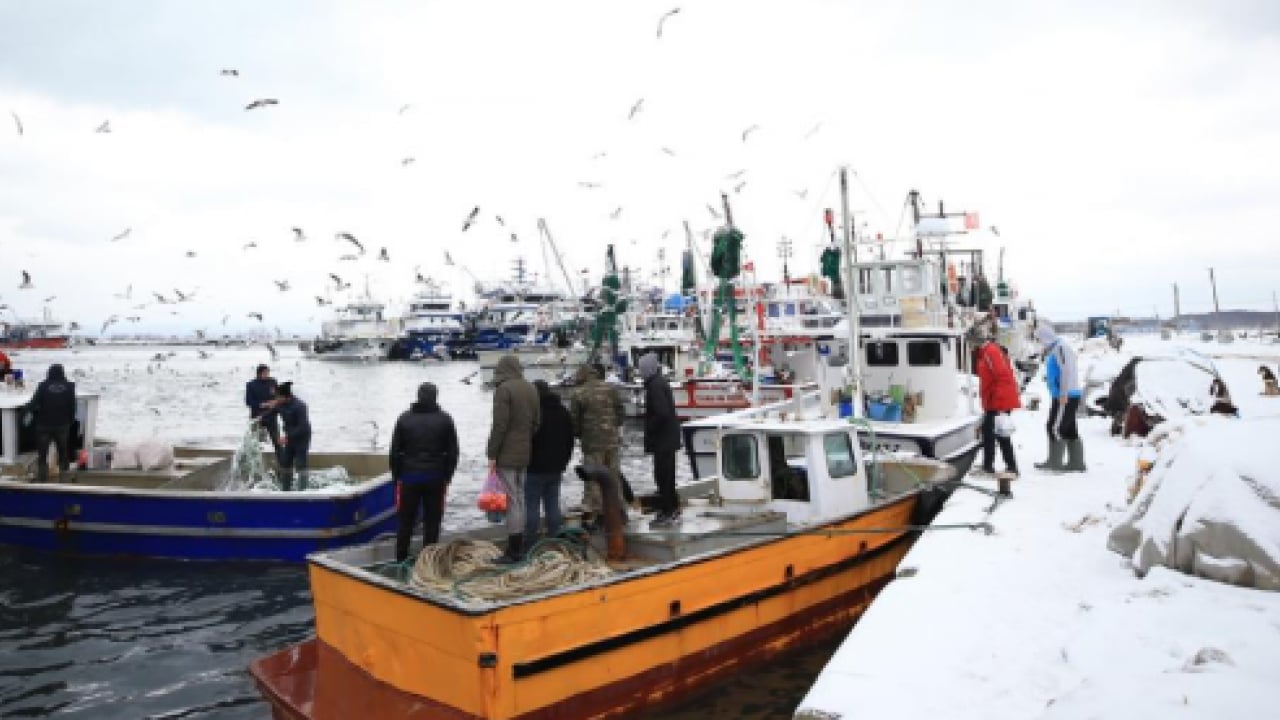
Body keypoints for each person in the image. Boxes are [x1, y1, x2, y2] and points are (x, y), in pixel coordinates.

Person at [389, 382, 459, 562]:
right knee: (432, 522)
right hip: (436, 477)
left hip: (409, 477)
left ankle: (400, 559)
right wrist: (448, 476)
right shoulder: (445, 419)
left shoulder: (404, 418)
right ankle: (428, 561)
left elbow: (395, 452)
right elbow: (453, 452)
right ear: (436, 397)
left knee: (406, 522)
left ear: (418, 396)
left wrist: (397, 476)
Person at [486, 354, 541, 564]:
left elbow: (499, 425)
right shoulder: (531, 388)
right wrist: (524, 439)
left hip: (506, 454)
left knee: (511, 500)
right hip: (525, 452)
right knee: (520, 497)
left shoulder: (504, 390)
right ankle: (521, 545)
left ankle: (514, 550)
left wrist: (492, 453)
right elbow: (536, 423)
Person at [571, 362, 627, 552]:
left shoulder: (579, 393)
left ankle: (597, 516)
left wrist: (580, 434)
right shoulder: (611, 389)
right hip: (612, 441)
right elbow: (621, 412)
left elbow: (574, 422)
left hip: (592, 444)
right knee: (613, 477)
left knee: (593, 482)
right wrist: (613, 427)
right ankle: (619, 512)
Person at [524, 380, 574, 544]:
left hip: (534, 468)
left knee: (531, 506)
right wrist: (564, 462)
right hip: (556, 467)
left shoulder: (533, 413)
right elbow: (570, 440)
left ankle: (530, 542)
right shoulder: (563, 412)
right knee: (553, 504)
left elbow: (526, 440)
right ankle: (555, 539)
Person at [973, 327, 1021, 490]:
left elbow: (1002, 376)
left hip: (998, 401)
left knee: (997, 433)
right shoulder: (986, 352)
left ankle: (1005, 467)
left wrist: (1000, 404)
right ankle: (993, 466)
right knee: (991, 433)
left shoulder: (990, 352)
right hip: (994, 400)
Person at [1034, 325, 1085, 473]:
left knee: (1054, 427)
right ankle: (1076, 463)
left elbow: (1066, 371)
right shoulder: (1057, 348)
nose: (1039, 342)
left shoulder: (1060, 348)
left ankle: (1055, 462)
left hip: (1065, 395)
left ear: (1045, 337)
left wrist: (1063, 393)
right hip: (1066, 395)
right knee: (1069, 428)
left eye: (1039, 338)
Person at [640, 352, 682, 526]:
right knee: (668, 476)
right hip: (669, 438)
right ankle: (672, 509)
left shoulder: (655, 386)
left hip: (663, 440)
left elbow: (661, 413)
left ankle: (667, 511)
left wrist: (650, 427)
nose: (640, 372)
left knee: (663, 476)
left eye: (642, 368)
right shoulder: (660, 382)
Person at [30, 363, 76, 483]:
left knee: (42, 455)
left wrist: (27, 416)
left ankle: (42, 480)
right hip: (62, 425)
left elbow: (33, 403)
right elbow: (72, 406)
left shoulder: (43, 386)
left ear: (49, 372)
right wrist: (70, 421)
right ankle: (64, 480)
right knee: (63, 453)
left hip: (43, 425)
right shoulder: (70, 386)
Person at [273, 382, 312, 490]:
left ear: (286, 396)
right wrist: (259, 419)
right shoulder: (280, 404)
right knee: (286, 462)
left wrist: (287, 437)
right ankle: (285, 490)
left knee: (300, 463)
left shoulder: (300, 406)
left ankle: (303, 491)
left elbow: (303, 427)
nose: (276, 399)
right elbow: (271, 413)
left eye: (278, 397)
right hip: (289, 436)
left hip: (302, 437)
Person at [245, 364, 282, 461]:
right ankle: (253, 461)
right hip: (257, 417)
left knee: (277, 440)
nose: (267, 375)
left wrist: (275, 402)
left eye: (268, 372)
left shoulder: (273, 382)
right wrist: (263, 404)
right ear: (259, 374)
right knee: (254, 442)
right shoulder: (251, 385)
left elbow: (278, 397)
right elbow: (248, 402)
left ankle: (282, 461)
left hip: (271, 416)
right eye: (265, 373)